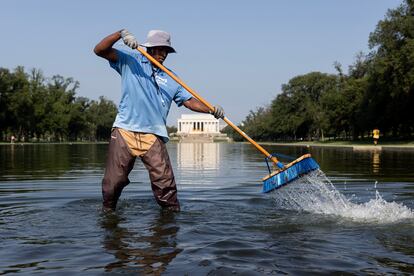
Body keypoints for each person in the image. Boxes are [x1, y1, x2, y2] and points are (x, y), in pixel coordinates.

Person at [94, 29, 224, 212]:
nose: (162, 54)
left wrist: (210, 109)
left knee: (165, 185)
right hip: (125, 130)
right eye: (158, 49)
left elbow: (189, 101)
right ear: (148, 48)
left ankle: (170, 224)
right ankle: (108, 215)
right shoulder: (130, 60)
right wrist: (121, 34)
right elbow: (99, 50)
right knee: (113, 184)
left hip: (153, 135)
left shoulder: (171, 77)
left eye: (166, 51)